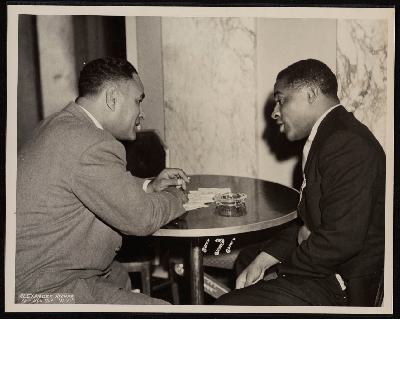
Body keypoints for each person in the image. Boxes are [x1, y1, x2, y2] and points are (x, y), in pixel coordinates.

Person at [16, 57, 190, 305]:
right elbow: (141, 219)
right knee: (166, 315)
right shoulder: (94, 143)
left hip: (36, 274)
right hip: (43, 292)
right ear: (112, 98)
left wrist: (149, 186)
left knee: (118, 275)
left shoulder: (59, 125)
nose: (141, 114)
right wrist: (177, 197)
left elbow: (98, 184)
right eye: (138, 101)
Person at [215, 59, 385, 307]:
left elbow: (341, 240)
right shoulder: (332, 134)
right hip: (329, 268)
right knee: (249, 259)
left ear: (311, 94)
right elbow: (309, 223)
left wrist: (281, 269)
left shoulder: (345, 143)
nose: (274, 112)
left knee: (223, 308)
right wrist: (264, 259)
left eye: (281, 100)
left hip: (342, 285)